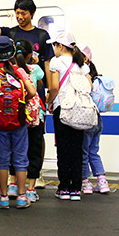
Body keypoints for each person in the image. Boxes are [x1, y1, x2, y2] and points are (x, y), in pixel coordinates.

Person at [0, 0, 53, 189]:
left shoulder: (42, 35)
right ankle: (16, 176)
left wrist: (46, 90)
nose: (19, 16)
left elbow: (47, 64)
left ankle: (36, 173)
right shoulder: (11, 32)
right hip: (12, 95)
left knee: (37, 135)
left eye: (23, 13)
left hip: (35, 93)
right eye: (17, 13)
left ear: (32, 13)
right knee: (16, 133)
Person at [0, 36, 37, 209]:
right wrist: (23, 99)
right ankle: (22, 196)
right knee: (21, 158)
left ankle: (4, 197)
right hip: (19, 122)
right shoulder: (19, 71)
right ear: (13, 52)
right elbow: (32, 91)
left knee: (2, 160)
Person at [47, 32, 91, 201]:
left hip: (62, 108)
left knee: (63, 149)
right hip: (79, 109)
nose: (54, 49)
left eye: (54, 46)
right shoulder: (80, 63)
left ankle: (64, 188)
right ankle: (76, 189)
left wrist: (50, 102)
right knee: (77, 149)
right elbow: (90, 85)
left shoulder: (56, 62)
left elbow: (54, 87)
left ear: (60, 46)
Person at [7, 39, 45, 203]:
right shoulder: (35, 69)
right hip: (35, 118)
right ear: (31, 55)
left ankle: (13, 185)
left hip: (16, 116)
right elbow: (40, 86)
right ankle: (30, 189)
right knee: (34, 151)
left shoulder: (9, 70)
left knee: (15, 150)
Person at [77, 44, 110, 195]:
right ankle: (102, 181)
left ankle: (86, 183)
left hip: (86, 119)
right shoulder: (97, 77)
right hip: (98, 119)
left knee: (83, 152)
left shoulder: (83, 75)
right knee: (94, 151)